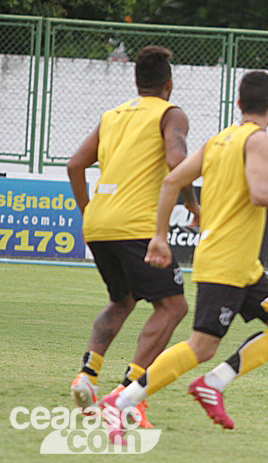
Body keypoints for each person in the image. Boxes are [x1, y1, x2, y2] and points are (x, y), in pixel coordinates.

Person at [101, 71, 268, 435]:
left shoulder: (219, 139)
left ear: (239, 104)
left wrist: (161, 236)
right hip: (226, 263)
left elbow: (171, 180)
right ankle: (121, 400)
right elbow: (259, 193)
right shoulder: (258, 140)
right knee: (202, 346)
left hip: (243, 265)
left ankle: (214, 384)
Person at [67, 46, 199, 427]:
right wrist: (192, 202)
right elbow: (177, 162)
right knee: (173, 307)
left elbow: (75, 165)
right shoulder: (170, 114)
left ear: (136, 82)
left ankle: (87, 375)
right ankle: (128, 389)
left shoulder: (113, 115)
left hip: (100, 222)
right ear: (169, 83)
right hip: (136, 227)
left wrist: (88, 211)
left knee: (121, 300)